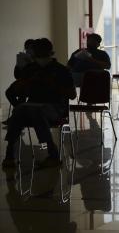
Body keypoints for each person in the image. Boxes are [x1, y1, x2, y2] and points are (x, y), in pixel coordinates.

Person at [2, 38, 77, 168]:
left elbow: (72, 95)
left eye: (43, 53)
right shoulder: (30, 69)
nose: (40, 56)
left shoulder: (61, 70)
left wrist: (53, 84)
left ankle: (52, 154)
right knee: (19, 110)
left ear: (50, 53)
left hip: (56, 108)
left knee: (36, 112)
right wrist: (25, 83)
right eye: (38, 53)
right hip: (33, 105)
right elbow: (13, 91)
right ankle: (10, 154)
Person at [3, 39, 36, 125]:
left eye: (31, 48)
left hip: (34, 86)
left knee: (23, 93)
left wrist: (31, 63)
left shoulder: (38, 60)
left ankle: (17, 115)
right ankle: (21, 113)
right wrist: (18, 66)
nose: (28, 50)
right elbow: (16, 76)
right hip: (23, 83)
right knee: (9, 92)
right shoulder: (23, 58)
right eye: (26, 48)